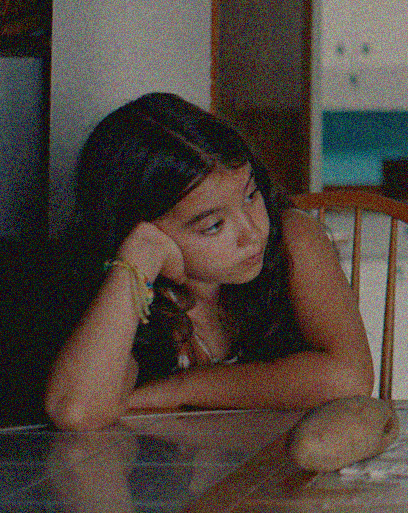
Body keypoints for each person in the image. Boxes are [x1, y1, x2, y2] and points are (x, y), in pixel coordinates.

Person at [44, 93, 374, 431]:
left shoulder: (293, 237)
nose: (251, 233)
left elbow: (349, 378)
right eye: (214, 225)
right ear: (140, 228)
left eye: (251, 195)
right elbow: (77, 410)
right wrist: (139, 257)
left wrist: (181, 389)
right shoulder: (127, 283)